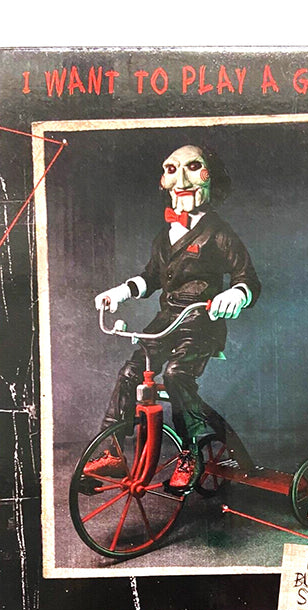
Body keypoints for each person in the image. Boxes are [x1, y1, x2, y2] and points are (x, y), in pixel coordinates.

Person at [85, 144, 261, 491]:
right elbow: (151, 277)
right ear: (164, 182)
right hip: (166, 321)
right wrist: (120, 292)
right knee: (131, 372)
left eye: (193, 168)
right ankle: (113, 451)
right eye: (171, 170)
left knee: (177, 375)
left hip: (200, 323)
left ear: (212, 179)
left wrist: (236, 294)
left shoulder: (219, 233)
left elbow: (249, 279)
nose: (181, 181)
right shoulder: (164, 236)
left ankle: (191, 452)